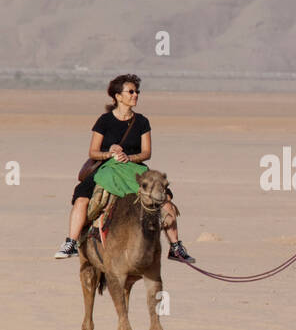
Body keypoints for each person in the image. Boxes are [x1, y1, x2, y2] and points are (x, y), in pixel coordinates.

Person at [54, 74, 195, 262]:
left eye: (137, 91)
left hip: (134, 168)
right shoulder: (104, 121)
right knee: (81, 198)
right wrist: (110, 152)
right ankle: (70, 243)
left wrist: (129, 157)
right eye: (131, 91)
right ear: (118, 96)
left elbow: (146, 153)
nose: (135, 95)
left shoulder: (142, 122)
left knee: (165, 200)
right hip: (107, 168)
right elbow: (93, 152)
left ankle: (176, 247)